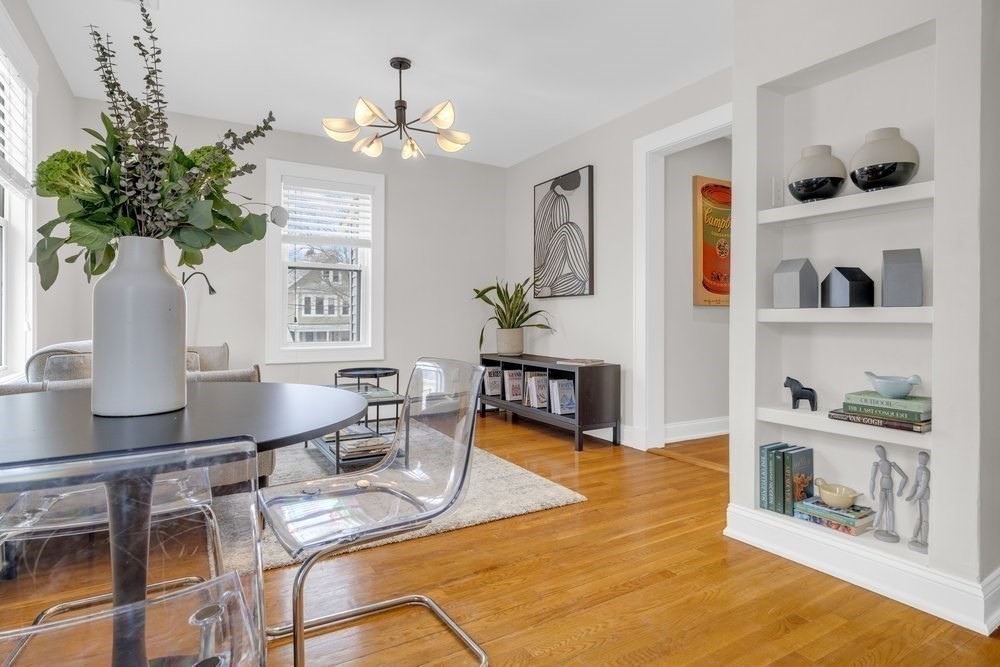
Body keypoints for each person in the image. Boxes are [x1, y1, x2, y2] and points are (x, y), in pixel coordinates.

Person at [869, 444, 909, 543]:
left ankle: (889, 529)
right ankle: (876, 526)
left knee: (888, 508)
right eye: (878, 452)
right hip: (884, 487)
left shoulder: (889, 464)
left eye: (880, 451)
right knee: (883, 508)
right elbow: (872, 479)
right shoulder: (877, 464)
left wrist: (900, 489)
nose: (880, 453)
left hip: (887, 487)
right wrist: (871, 491)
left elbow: (904, 477)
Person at [906, 451, 930, 553]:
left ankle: (923, 541)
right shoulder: (919, 469)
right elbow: (915, 483)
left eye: (922, 459)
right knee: (919, 517)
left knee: (924, 519)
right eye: (919, 458)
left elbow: (923, 487)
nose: (920, 460)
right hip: (918, 494)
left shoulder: (926, 472)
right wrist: (911, 495)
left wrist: (915, 498)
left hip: (923, 495)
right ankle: (914, 537)